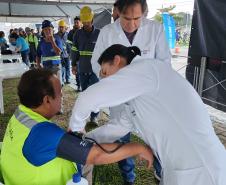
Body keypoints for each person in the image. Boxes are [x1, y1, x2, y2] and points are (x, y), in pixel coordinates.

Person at [70, 44, 226, 185]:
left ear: (117, 60)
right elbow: (117, 128)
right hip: (179, 168)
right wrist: (84, 141)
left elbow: (87, 98)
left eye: (105, 72)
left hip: (203, 169)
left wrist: (74, 132)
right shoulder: (136, 94)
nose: (105, 79)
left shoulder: (146, 69)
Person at [0, 68, 153, 185]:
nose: (63, 97)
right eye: (60, 93)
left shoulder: (21, 113)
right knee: (89, 160)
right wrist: (137, 148)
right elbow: (97, 155)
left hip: (15, 178)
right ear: (47, 100)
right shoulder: (45, 133)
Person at [90, 0, 171, 183]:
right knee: (121, 139)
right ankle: (129, 177)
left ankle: (161, 174)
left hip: (148, 100)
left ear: (144, 13)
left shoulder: (155, 29)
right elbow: (96, 63)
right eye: (127, 18)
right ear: (118, 11)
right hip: (119, 99)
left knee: (156, 139)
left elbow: (164, 63)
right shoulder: (108, 32)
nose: (132, 24)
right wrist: (109, 76)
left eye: (137, 18)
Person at [71, 6, 100, 124]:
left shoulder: (99, 33)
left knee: (95, 94)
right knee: (85, 94)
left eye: (88, 21)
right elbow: (74, 50)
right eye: (84, 21)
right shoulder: (77, 34)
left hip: (96, 70)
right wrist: (73, 64)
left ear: (92, 19)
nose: (86, 23)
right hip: (82, 69)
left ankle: (94, 117)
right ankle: (85, 115)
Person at [67, 16, 82, 91]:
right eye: (75, 22)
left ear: (80, 23)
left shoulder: (83, 31)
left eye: (77, 22)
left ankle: (83, 85)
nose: (76, 24)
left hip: (83, 55)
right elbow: (69, 44)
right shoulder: (71, 32)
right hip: (75, 55)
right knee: (76, 70)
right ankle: (79, 85)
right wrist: (72, 53)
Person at [55, 20, 71, 84]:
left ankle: (68, 79)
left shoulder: (68, 35)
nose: (61, 28)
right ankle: (62, 80)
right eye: (60, 27)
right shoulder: (55, 36)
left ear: (65, 27)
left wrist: (70, 53)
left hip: (67, 54)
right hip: (59, 55)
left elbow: (70, 44)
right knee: (61, 68)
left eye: (62, 27)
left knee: (67, 67)